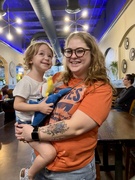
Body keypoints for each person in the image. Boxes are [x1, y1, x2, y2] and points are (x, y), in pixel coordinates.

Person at [15, 31, 113, 180]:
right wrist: (23, 126)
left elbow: (75, 127)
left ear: (92, 54)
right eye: (69, 51)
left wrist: (33, 133)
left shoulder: (100, 88)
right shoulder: (57, 79)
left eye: (80, 50)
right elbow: (40, 106)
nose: (73, 56)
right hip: (41, 159)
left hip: (71, 171)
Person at [13, 40, 57, 180]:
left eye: (50, 56)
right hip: (26, 124)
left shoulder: (45, 82)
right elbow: (17, 104)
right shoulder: (26, 81)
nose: (47, 58)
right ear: (31, 59)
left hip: (38, 123)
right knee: (49, 153)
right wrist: (39, 107)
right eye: (41, 54)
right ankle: (28, 174)